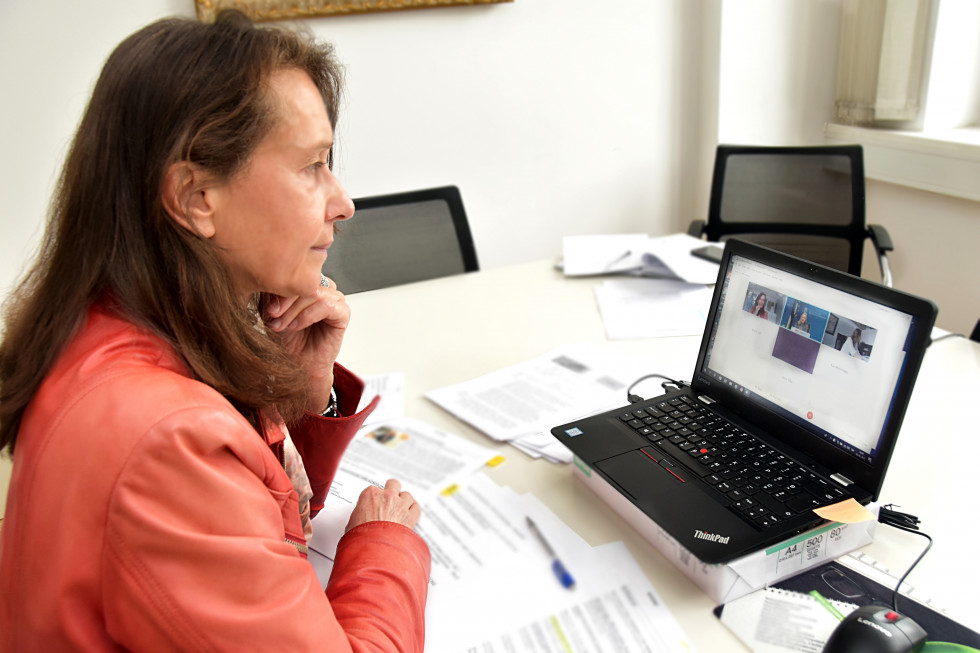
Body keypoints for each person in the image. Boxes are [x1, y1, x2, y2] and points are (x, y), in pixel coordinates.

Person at [0, 12, 429, 651]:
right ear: (197, 197)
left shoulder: (111, 320)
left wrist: (289, 389)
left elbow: (241, 519)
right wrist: (385, 546)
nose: (343, 203)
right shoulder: (167, 442)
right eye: (313, 165)